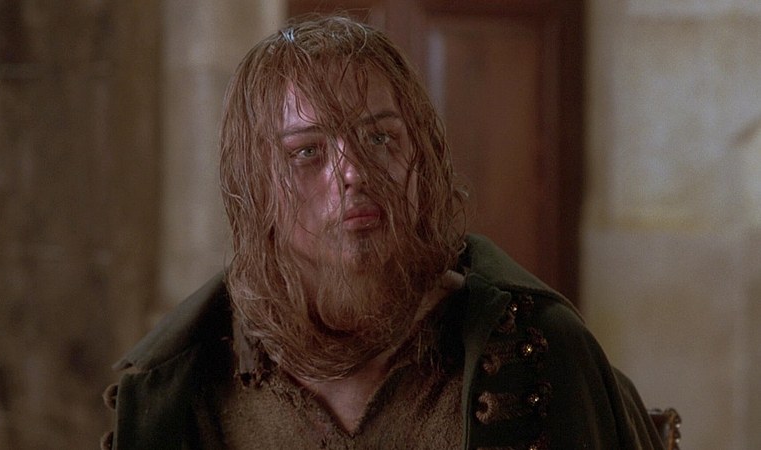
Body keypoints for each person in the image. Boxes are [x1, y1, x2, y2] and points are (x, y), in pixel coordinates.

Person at [102, 15, 665, 450]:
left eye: (379, 138)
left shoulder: (536, 349)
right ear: (258, 189)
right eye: (307, 152)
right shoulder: (181, 389)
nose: (354, 172)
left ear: (422, 157)